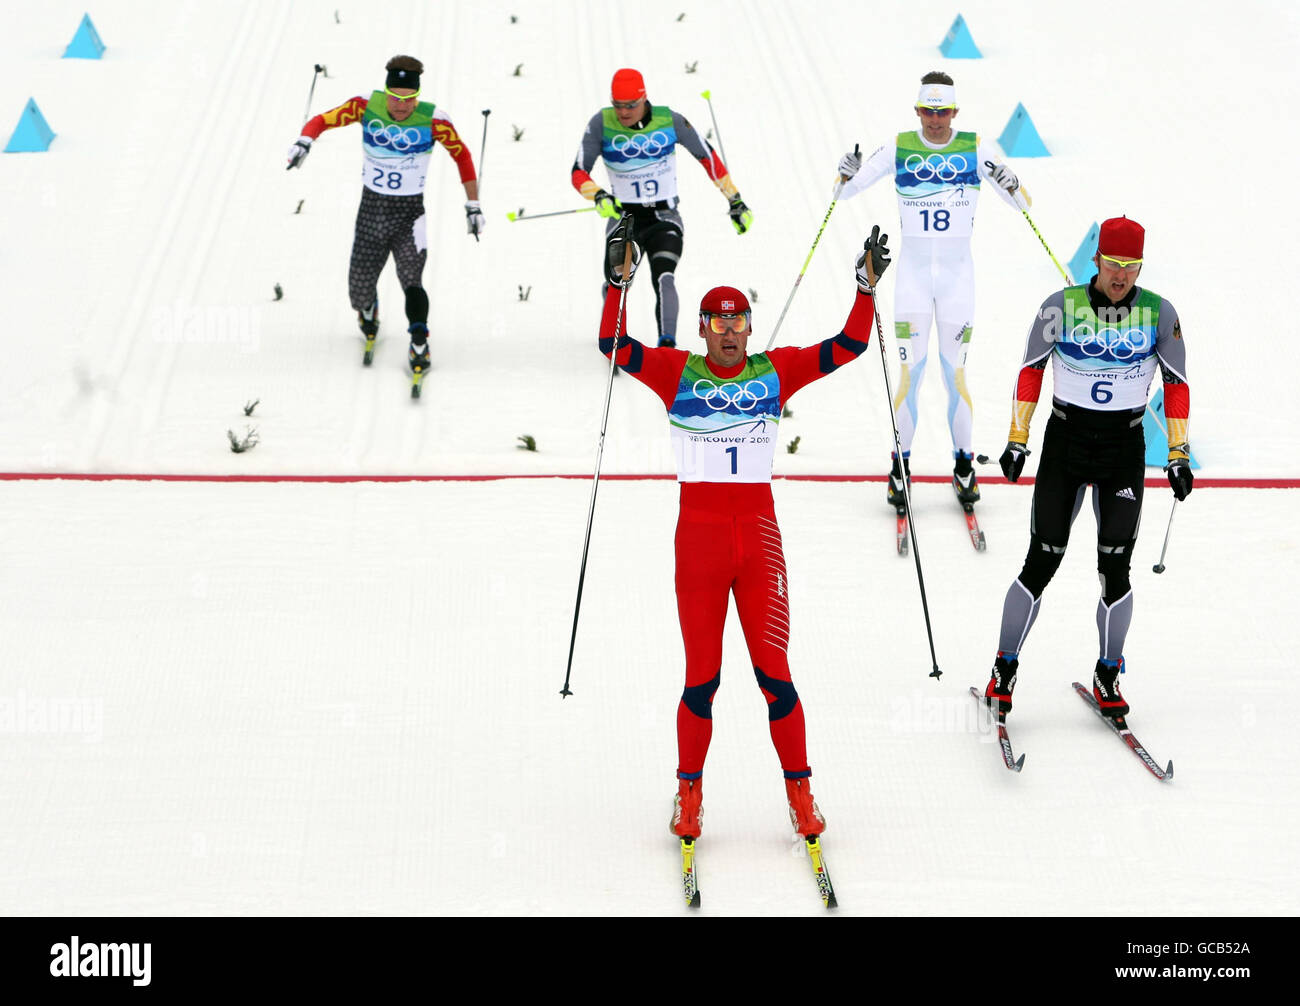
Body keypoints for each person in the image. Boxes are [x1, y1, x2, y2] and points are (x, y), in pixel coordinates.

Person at [598, 214, 891, 841]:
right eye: (717, 323)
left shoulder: (774, 371)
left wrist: (865, 290)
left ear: (749, 328)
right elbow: (615, 347)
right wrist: (616, 284)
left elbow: (848, 346)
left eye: (738, 323)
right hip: (699, 545)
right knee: (701, 680)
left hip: (758, 542)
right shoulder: (678, 372)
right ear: (702, 330)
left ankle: (802, 795)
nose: (729, 333)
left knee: (775, 677)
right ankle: (688, 797)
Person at [983, 216, 1192, 719]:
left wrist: (1178, 453)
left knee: (1115, 568)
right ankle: (1003, 668)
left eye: (1131, 266)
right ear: (1096, 259)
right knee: (1043, 559)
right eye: (1113, 264)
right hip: (1066, 444)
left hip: (1123, 449)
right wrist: (1017, 438)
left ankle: (1108, 673)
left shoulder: (1159, 314)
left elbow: (1177, 383)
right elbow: (1031, 371)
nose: (1121, 276)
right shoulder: (1060, 306)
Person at [835, 70, 1029, 509]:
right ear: (918, 110)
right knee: (912, 376)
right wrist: (844, 173)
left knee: (955, 376)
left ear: (955, 112)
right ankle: (899, 469)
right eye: (928, 111)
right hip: (914, 283)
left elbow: (1022, 205)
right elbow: (845, 193)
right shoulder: (901, 145)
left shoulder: (977, 147)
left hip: (959, 282)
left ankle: (963, 466)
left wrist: (1011, 181)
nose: (935, 120)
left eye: (942, 112)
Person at [286, 54, 482, 378]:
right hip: (371, 213)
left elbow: (462, 155)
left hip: (409, 215)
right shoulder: (365, 106)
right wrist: (306, 139)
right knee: (359, 290)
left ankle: (419, 339)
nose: (402, 106)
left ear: (417, 96)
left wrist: (473, 204)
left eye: (409, 99)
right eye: (395, 97)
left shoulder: (434, 119)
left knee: (412, 279)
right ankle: (368, 309)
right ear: (386, 91)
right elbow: (323, 119)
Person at [573, 68, 752, 348]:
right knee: (618, 284)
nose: (623, 112)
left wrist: (735, 199)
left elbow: (708, 157)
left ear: (644, 99)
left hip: (664, 216)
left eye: (630, 105)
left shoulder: (669, 120)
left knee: (664, 276)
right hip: (624, 218)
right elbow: (578, 171)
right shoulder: (601, 123)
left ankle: (667, 346)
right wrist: (597, 196)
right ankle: (613, 337)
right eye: (617, 105)